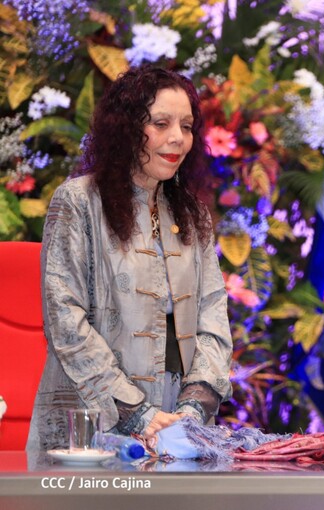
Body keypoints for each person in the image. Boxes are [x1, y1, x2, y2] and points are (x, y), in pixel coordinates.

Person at [27, 65, 233, 452]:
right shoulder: (78, 201)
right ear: (126, 128)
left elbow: (213, 315)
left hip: (178, 421)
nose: (178, 138)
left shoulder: (193, 213)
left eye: (187, 126)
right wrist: (135, 412)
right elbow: (65, 320)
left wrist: (192, 409)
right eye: (161, 123)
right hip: (93, 418)